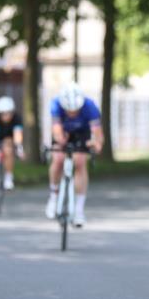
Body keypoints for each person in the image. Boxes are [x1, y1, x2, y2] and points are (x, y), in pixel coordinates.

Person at [45, 82, 103, 226]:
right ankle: (53, 197)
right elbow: (56, 130)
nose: (72, 113)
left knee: (80, 162)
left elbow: (97, 133)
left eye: (75, 110)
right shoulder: (56, 104)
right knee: (58, 159)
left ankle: (79, 210)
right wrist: (61, 140)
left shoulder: (90, 106)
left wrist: (97, 144)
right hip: (63, 131)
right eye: (69, 111)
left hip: (81, 133)